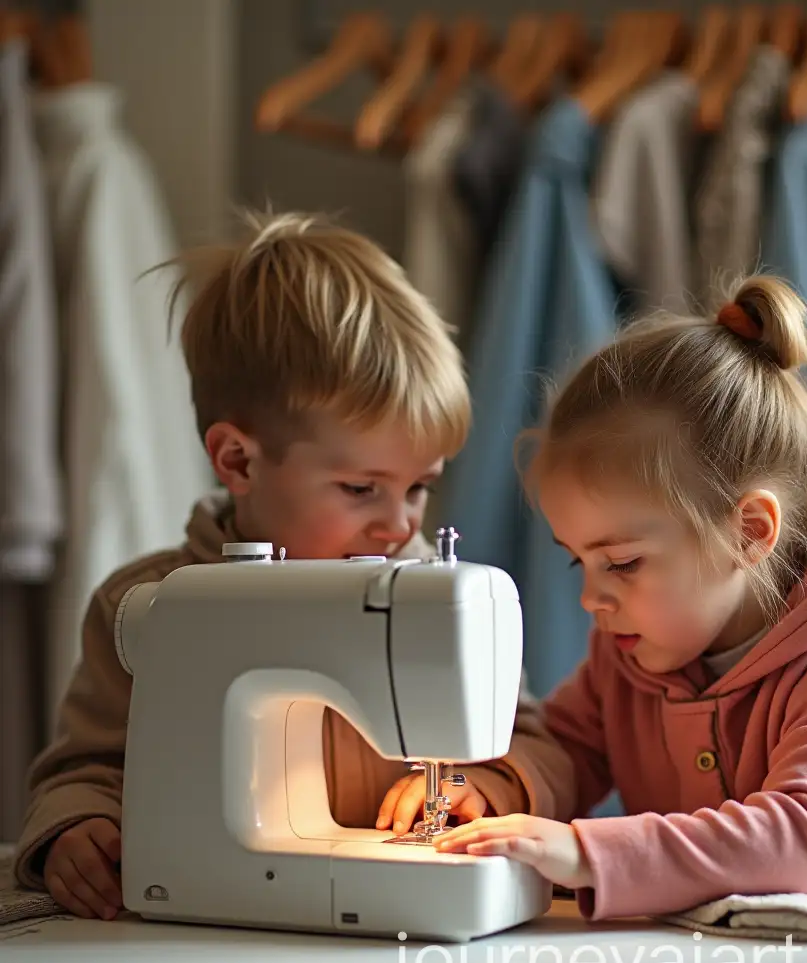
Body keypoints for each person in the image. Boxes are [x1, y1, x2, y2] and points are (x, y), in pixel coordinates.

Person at [407, 273, 807, 919]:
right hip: (789, 960)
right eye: (578, 562)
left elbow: (801, 838)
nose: (592, 597)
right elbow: (570, 746)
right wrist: (499, 785)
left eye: (621, 563)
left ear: (748, 534)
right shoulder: (631, 655)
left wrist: (585, 853)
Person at [13, 210, 570, 919]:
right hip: (209, 927)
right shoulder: (145, 608)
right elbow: (84, 768)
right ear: (238, 460)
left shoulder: (440, 600)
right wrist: (76, 827)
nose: (400, 522)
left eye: (419, 486)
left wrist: (496, 786)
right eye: (361, 488)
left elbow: (536, 743)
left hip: (386, 924)